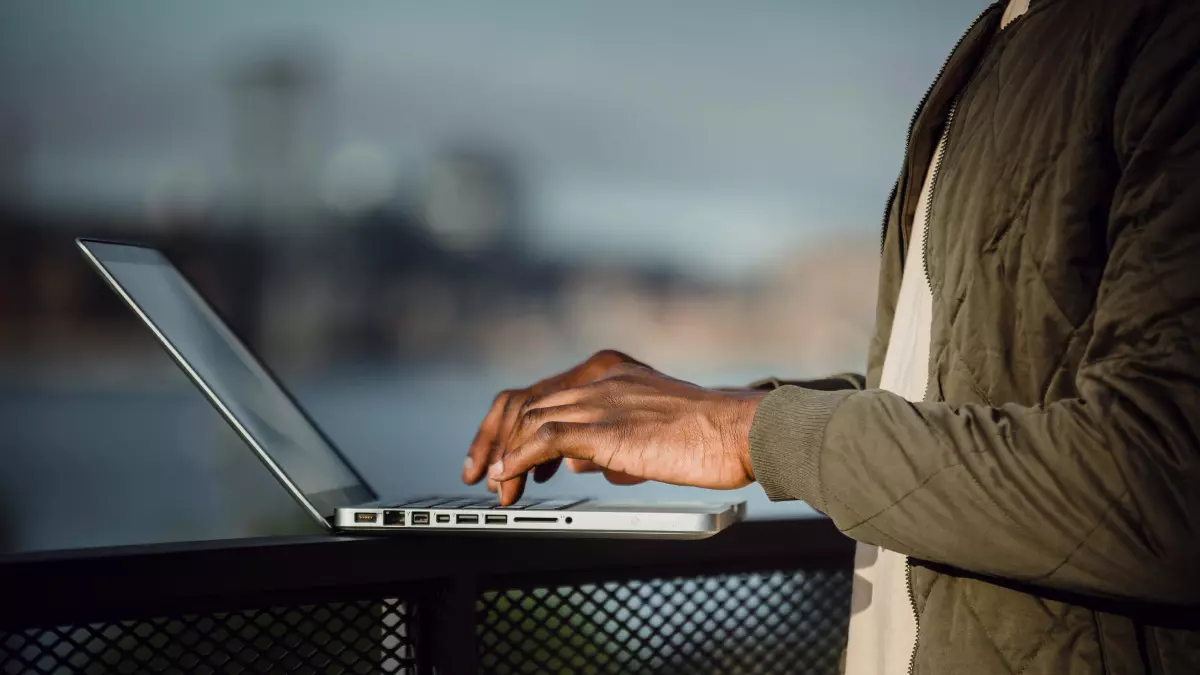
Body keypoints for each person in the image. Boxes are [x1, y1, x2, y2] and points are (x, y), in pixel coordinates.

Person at [461, 0, 1200, 672]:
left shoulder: (1163, 32)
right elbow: (949, 396)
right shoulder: (997, 39)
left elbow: (1166, 478)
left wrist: (745, 430)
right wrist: (701, 410)